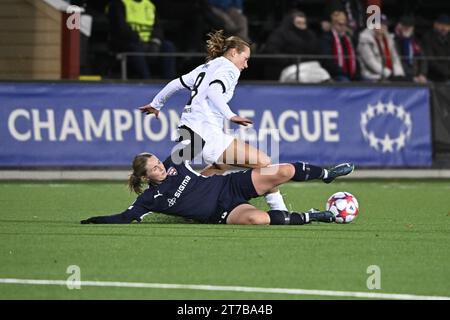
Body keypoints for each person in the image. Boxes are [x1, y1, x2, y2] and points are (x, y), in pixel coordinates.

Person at [139, 30, 289, 212]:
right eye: (246, 58)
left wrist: (157, 104)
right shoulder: (229, 68)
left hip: (188, 129)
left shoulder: (207, 66)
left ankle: (192, 200)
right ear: (233, 52)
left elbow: (176, 83)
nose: (246, 65)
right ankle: (280, 211)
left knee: (221, 164)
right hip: (205, 131)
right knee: (265, 163)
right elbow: (213, 91)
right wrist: (230, 115)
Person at [80, 152, 355, 225]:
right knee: (257, 219)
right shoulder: (150, 199)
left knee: (282, 171)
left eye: (157, 162)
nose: (159, 168)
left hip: (230, 184)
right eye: (153, 169)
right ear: (146, 176)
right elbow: (125, 217)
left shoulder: (174, 161)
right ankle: (314, 215)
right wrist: (95, 220)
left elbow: (196, 136)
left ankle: (328, 174)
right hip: (223, 211)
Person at [107, 0, 176, 79]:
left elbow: (158, 27)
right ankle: (146, 80)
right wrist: (139, 40)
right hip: (129, 42)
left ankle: (169, 82)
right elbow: (120, 29)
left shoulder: (149, 5)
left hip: (150, 43)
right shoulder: (118, 4)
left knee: (168, 46)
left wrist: (155, 41)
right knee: (134, 48)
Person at [262, 10, 322, 81]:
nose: (302, 26)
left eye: (304, 23)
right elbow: (272, 51)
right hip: (286, 67)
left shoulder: (310, 35)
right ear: (291, 23)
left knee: (323, 76)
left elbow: (317, 52)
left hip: (310, 67)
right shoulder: (280, 34)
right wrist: (291, 60)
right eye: (298, 23)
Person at [357, 14, 405, 81]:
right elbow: (371, 62)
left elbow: (395, 59)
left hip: (389, 74)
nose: (383, 27)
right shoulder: (365, 39)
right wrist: (388, 74)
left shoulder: (389, 39)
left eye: (385, 24)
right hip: (371, 75)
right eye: (380, 24)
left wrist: (399, 73)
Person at [321, 11, 358, 81]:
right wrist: (342, 72)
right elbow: (327, 60)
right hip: (335, 74)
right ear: (333, 24)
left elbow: (355, 58)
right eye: (340, 24)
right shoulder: (327, 38)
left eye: (345, 24)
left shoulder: (348, 38)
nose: (343, 27)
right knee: (345, 81)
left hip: (350, 73)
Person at [394, 15, 428, 83]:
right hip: (402, 77)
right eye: (404, 26)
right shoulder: (395, 41)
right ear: (399, 26)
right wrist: (411, 77)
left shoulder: (415, 41)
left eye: (409, 26)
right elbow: (398, 60)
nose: (407, 28)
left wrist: (422, 74)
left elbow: (423, 59)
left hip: (417, 75)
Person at [422, 14, 450, 82]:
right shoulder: (428, 37)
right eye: (441, 25)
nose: (444, 28)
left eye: (447, 26)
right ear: (435, 25)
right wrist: (447, 72)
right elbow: (430, 60)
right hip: (433, 77)